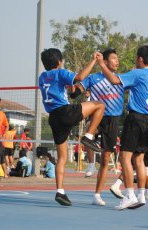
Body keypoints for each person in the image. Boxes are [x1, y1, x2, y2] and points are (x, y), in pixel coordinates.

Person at [39, 48, 105, 206]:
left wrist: (73, 89)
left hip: (53, 117)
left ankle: (60, 191)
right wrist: (94, 60)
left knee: (62, 157)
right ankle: (89, 137)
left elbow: (66, 89)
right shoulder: (60, 72)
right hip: (65, 112)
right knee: (100, 106)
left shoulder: (42, 77)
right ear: (59, 62)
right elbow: (80, 77)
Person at [97, 45, 148, 210]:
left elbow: (114, 80)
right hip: (147, 120)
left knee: (125, 158)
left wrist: (101, 64)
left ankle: (129, 195)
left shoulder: (137, 73)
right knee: (138, 159)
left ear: (140, 59)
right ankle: (141, 195)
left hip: (135, 119)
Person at [70, 48, 124, 206]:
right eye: (114, 58)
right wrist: (74, 89)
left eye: (117, 58)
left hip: (112, 119)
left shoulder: (120, 79)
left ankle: (97, 194)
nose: (117, 61)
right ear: (105, 62)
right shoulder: (93, 78)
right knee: (88, 133)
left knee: (107, 158)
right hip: (96, 116)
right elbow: (76, 91)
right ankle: (91, 164)